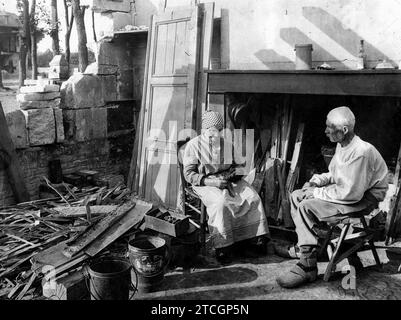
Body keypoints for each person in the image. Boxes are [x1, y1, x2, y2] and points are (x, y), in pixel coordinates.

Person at [276, 106, 388, 288]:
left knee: (306, 206)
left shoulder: (361, 152)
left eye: (329, 127)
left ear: (344, 130)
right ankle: (310, 246)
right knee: (296, 195)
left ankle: (307, 266)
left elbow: (350, 194)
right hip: (351, 193)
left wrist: (315, 193)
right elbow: (334, 174)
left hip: (363, 200)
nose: (325, 130)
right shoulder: (343, 144)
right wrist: (315, 182)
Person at [182, 110, 270, 263]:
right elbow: (189, 175)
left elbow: (239, 165)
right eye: (211, 131)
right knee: (221, 203)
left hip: (228, 180)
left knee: (252, 197)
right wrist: (212, 182)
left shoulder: (226, 144)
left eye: (218, 131)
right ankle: (224, 247)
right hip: (205, 183)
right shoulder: (193, 145)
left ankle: (251, 240)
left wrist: (234, 174)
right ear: (204, 130)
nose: (215, 135)